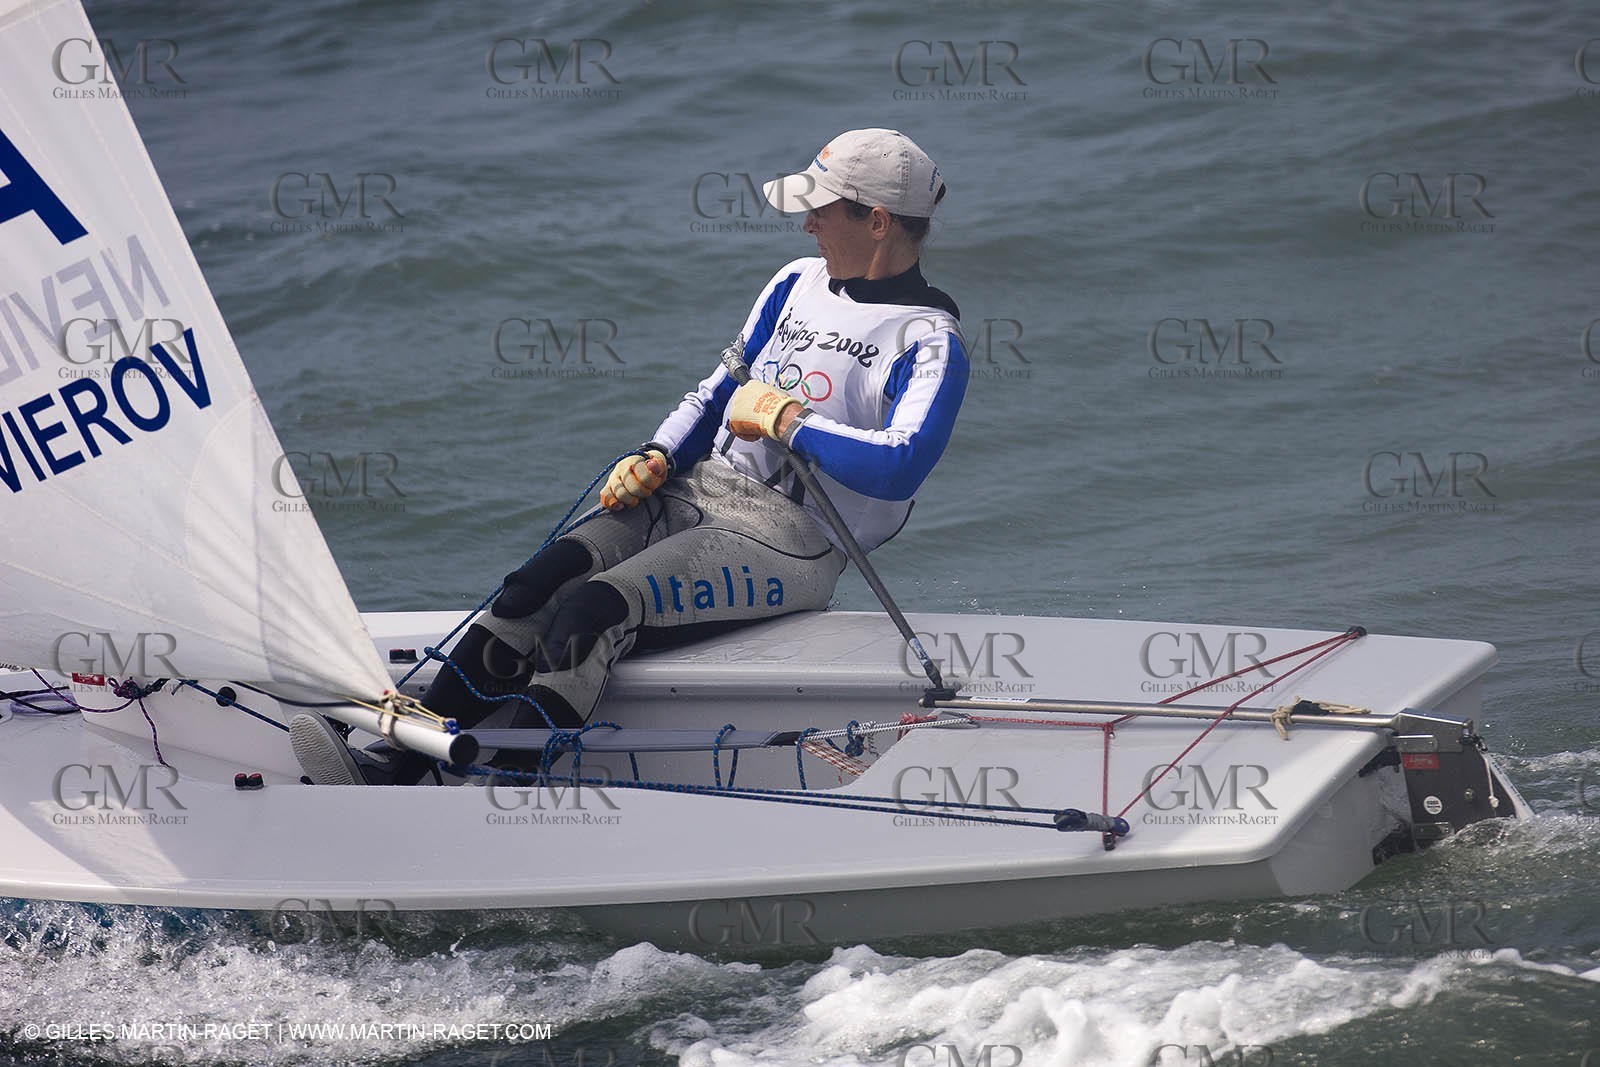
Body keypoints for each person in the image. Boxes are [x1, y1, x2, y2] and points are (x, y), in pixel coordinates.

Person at [291, 128, 968, 785]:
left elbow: (900, 464)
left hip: (790, 541)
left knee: (594, 610)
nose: (806, 226)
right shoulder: (793, 283)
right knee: (533, 586)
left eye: (820, 210)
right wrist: (657, 453)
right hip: (692, 491)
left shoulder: (929, 341)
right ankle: (395, 764)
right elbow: (715, 396)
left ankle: (495, 791)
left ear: (877, 221)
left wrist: (789, 419)